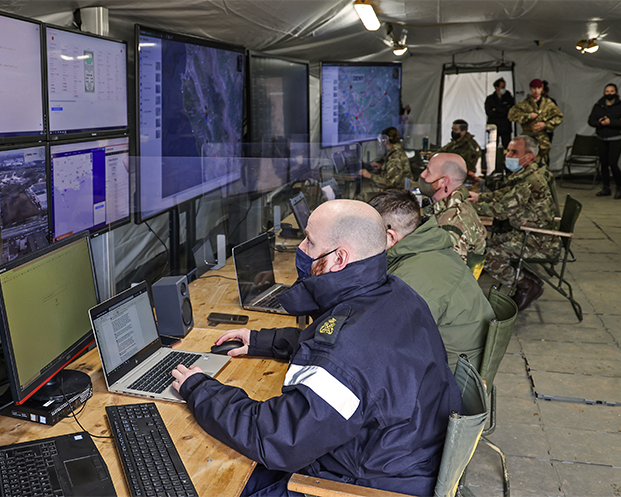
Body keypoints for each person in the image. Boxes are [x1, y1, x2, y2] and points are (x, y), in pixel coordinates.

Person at [172, 199, 461, 497]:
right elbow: (351, 352)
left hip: (363, 483)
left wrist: (201, 390)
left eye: (310, 241)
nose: (301, 248)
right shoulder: (395, 293)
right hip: (396, 457)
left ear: (339, 259)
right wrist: (262, 341)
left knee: (209, 480)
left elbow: (277, 438)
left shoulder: (350, 349)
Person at [369, 189, 495, 372]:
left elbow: (386, 342)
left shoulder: (411, 279)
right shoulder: (432, 248)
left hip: (450, 377)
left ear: (390, 236)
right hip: (459, 360)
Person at [468, 135, 559, 311]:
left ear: (529, 157)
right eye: (508, 151)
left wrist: (470, 206)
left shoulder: (530, 181)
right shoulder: (527, 174)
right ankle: (530, 280)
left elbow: (501, 210)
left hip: (538, 240)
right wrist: (479, 197)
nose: (508, 155)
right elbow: (504, 194)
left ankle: (525, 285)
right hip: (529, 234)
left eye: (514, 152)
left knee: (488, 257)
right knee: (484, 245)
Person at [418, 153, 487, 270]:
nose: (422, 175)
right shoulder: (457, 204)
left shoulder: (451, 225)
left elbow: (446, 275)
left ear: (443, 181)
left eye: (428, 172)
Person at [508, 78, 563, 165]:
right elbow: (511, 115)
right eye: (534, 88)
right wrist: (528, 116)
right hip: (527, 136)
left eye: (538, 88)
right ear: (530, 88)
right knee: (527, 161)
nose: (536, 91)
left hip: (542, 138)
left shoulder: (548, 104)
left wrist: (545, 125)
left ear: (542, 89)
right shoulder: (524, 104)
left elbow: (558, 116)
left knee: (542, 162)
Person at [588, 83, 621, 198]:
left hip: (616, 138)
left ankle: (619, 187)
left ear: (616, 92)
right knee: (603, 164)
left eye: (611, 91)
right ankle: (606, 187)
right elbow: (591, 120)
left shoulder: (619, 105)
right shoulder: (599, 105)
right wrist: (600, 123)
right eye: (607, 91)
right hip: (601, 138)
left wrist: (610, 122)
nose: (609, 93)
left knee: (613, 163)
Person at [485, 77, 515, 149]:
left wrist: (497, 110)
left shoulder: (508, 96)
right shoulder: (490, 99)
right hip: (494, 126)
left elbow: (511, 110)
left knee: (507, 146)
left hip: (505, 126)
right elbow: (489, 112)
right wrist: (503, 110)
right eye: (502, 87)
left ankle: (507, 160)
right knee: (493, 147)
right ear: (496, 88)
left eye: (504, 87)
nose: (504, 88)